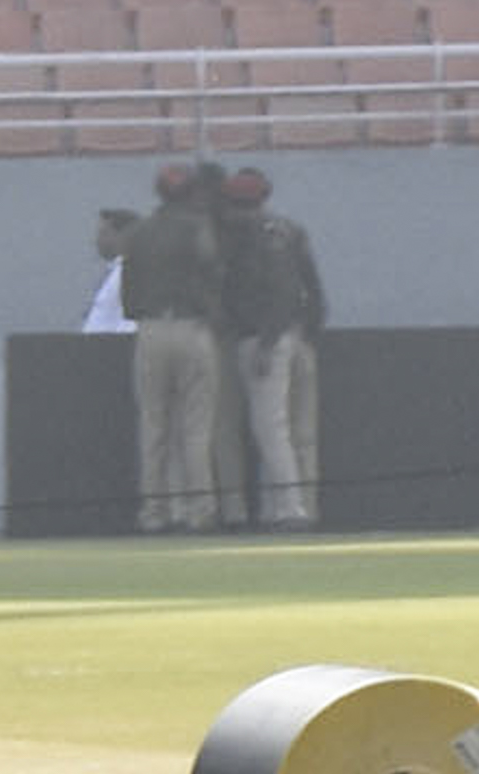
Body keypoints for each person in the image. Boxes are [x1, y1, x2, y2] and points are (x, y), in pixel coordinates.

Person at [119, 162, 229, 535]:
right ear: (190, 193)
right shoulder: (199, 227)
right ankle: (199, 511)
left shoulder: (139, 232)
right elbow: (214, 272)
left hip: (150, 329)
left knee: (153, 426)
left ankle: (154, 512)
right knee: (195, 428)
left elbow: (128, 291)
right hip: (191, 327)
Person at [225, 164, 326, 529]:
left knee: (270, 428)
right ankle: (292, 506)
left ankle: (290, 507)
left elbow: (273, 292)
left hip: (265, 338)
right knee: (299, 430)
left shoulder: (246, 236)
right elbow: (311, 288)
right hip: (297, 334)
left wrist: (267, 341)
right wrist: (309, 332)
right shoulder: (290, 229)